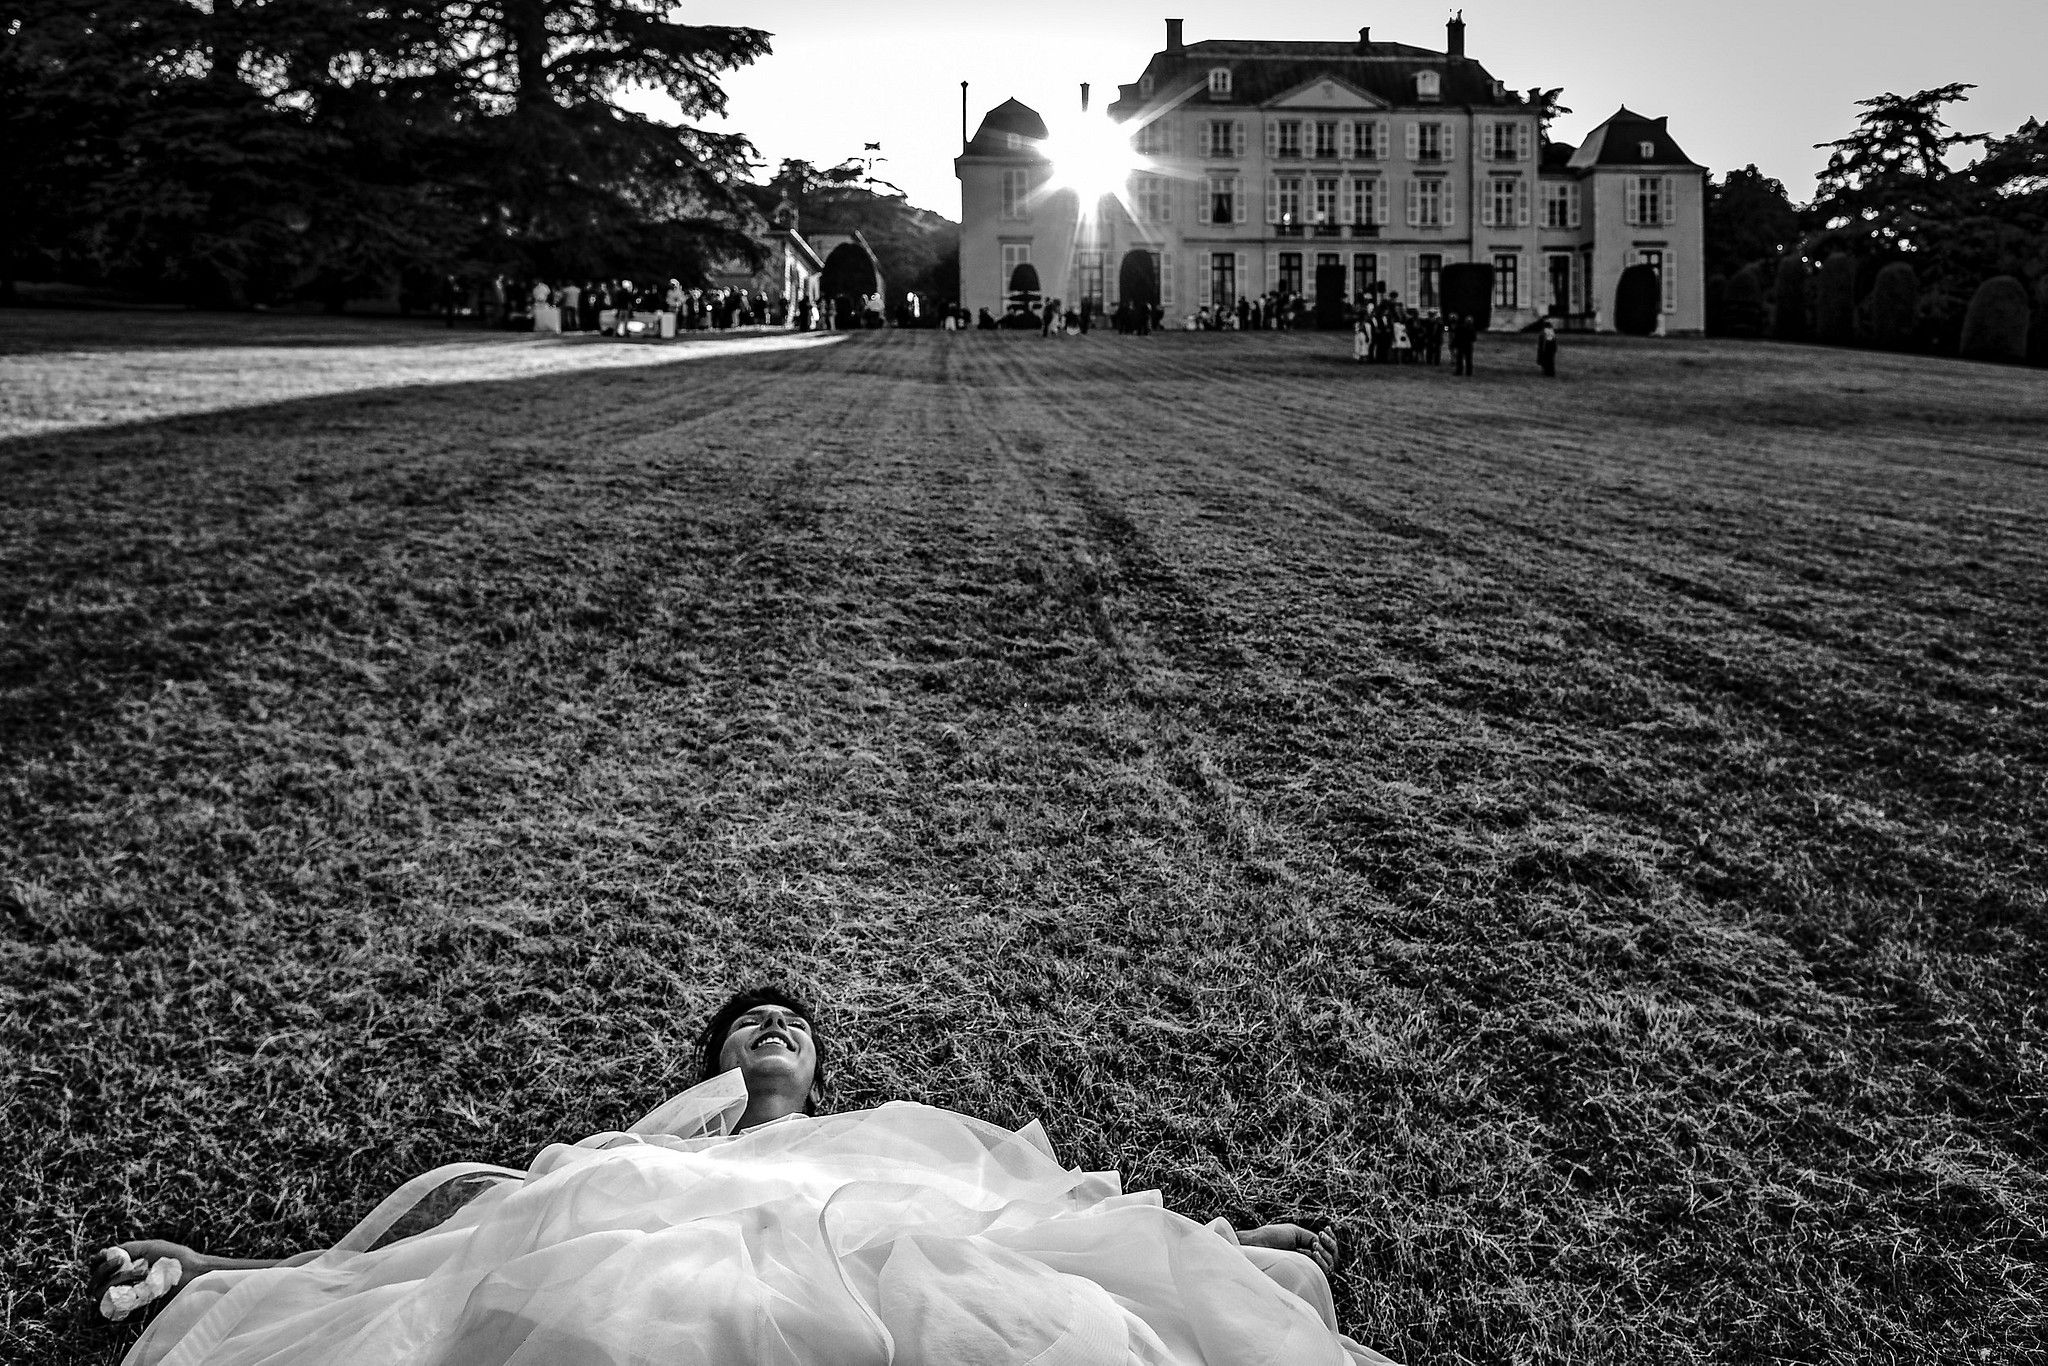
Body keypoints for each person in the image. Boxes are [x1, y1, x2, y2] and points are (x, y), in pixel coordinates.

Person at [85, 987, 1400, 1366]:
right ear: (714, 1054)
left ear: (820, 1065)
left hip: (874, 1246)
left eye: (791, 1023)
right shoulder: (654, 1149)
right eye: (746, 1021)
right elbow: (446, 1250)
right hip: (687, 1260)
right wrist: (221, 1272)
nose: (770, 1027)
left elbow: (1027, 1218)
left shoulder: (880, 1132)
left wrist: (1218, 1245)